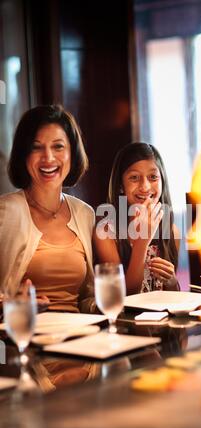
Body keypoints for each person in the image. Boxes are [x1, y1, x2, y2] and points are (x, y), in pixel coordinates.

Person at [0, 104, 96, 313]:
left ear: (73, 153)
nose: (48, 158)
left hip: (81, 336)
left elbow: (87, 299)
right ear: (24, 155)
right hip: (23, 338)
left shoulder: (85, 214)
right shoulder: (6, 211)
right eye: (36, 147)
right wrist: (9, 304)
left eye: (58, 147)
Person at [94, 142, 180, 294]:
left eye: (153, 177)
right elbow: (123, 295)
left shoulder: (171, 230)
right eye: (134, 178)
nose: (145, 187)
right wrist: (143, 240)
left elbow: (173, 295)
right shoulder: (106, 231)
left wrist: (172, 282)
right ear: (121, 185)